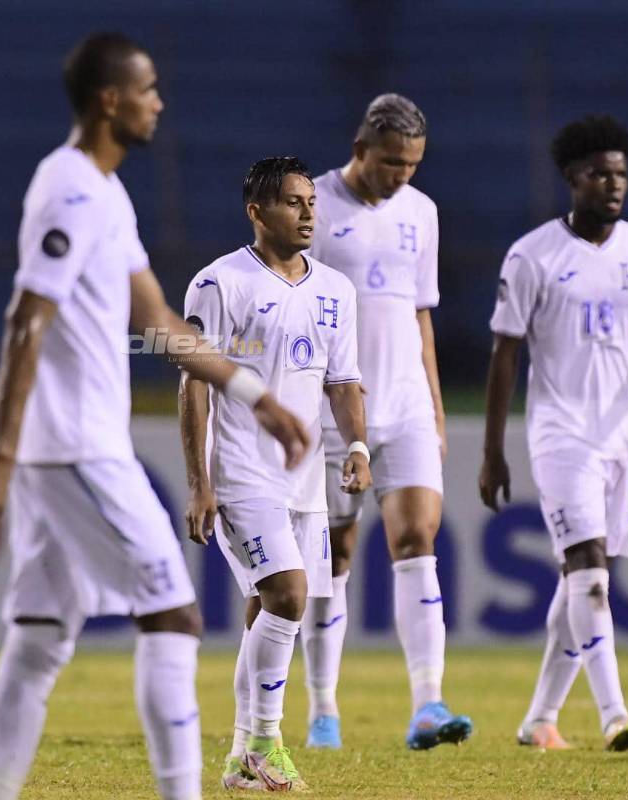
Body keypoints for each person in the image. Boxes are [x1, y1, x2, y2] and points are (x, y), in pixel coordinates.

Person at [0, 34, 309, 800]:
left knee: (40, 639)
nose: (159, 102)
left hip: (69, 447)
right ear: (110, 99)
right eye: (147, 89)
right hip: (76, 447)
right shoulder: (71, 189)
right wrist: (3, 452)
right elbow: (26, 317)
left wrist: (258, 398)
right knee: (174, 618)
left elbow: (161, 323)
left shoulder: (106, 194)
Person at [479, 114, 628, 751]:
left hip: (620, 436)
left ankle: (539, 719)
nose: (613, 185)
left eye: (621, 175)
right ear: (571, 178)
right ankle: (615, 715)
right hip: (560, 434)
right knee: (590, 574)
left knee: (585, 579)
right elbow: (505, 354)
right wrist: (493, 450)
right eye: (599, 174)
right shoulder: (533, 256)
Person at [179, 156, 370, 791]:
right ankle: (266, 742)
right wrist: (199, 481)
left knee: (270, 608)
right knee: (288, 596)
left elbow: (343, 383)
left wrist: (359, 447)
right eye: (293, 202)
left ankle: (240, 758)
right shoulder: (219, 282)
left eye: (312, 201)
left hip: (305, 478)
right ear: (257, 212)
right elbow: (195, 386)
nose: (309, 211)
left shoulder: (336, 291)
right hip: (241, 473)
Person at [299, 93, 473, 751]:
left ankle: (428, 705)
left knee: (418, 539)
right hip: (331, 412)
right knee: (331, 558)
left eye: (413, 164)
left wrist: (433, 406)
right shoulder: (308, 204)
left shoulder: (422, 214)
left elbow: (419, 314)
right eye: (393, 161)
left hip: (404, 408)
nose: (403, 175)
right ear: (361, 147)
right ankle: (323, 712)